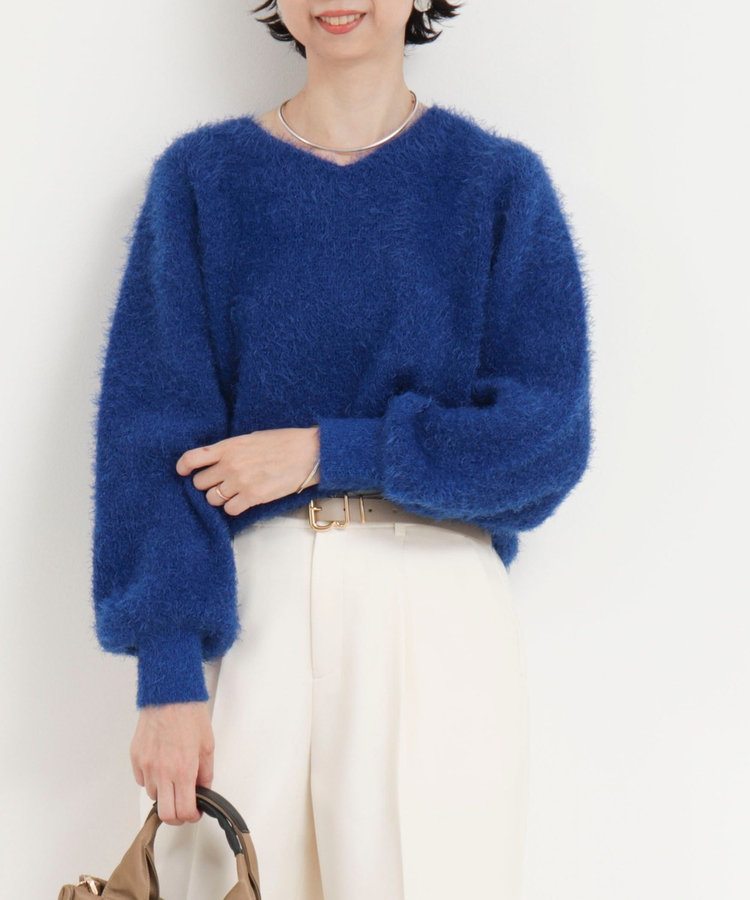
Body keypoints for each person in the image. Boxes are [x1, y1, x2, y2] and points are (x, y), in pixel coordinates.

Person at [91, 1, 592, 897]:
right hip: (254, 607)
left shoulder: (495, 185)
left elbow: (543, 442)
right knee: (227, 880)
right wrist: (167, 675)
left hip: (435, 602)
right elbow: (149, 440)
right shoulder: (203, 181)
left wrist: (331, 452)